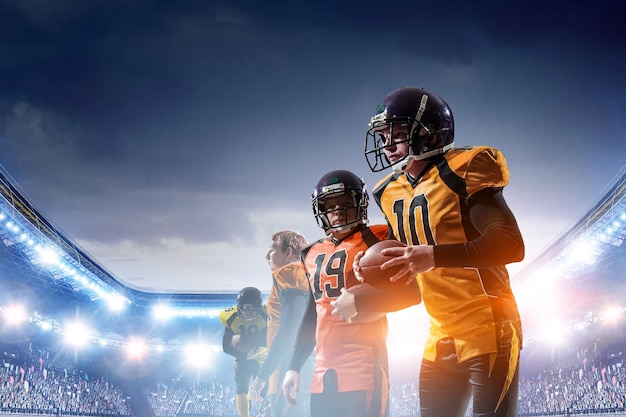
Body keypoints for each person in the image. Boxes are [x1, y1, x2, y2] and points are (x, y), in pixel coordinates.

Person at [357, 86, 525, 417]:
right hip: (440, 334)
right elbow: (404, 274)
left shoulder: (464, 169)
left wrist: (433, 256)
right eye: (384, 136)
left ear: (430, 134)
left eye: (400, 134)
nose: (388, 145)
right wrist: (372, 273)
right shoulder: (390, 192)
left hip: (489, 328)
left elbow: (510, 244)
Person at [281, 170, 421, 417]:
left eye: (345, 203)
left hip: (364, 367)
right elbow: (312, 314)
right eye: (330, 205)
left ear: (360, 203)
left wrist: (361, 302)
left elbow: (411, 293)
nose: (336, 210)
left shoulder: (379, 238)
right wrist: (293, 366)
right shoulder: (310, 253)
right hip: (322, 373)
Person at [248, 230, 313, 417]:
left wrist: (262, 376)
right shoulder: (304, 274)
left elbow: (289, 331)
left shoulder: (290, 273)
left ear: (289, 252)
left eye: (273, 250)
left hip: (291, 367)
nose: (267, 255)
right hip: (301, 365)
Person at [220, 286, 269, 417]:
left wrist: (243, 339)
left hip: (262, 356)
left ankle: (267, 411)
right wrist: (246, 353)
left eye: (252, 310)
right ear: (239, 307)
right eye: (245, 309)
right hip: (242, 357)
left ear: (259, 307)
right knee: (242, 387)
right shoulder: (230, 317)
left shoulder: (267, 314)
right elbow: (226, 346)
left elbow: (268, 340)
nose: (249, 313)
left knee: (264, 391)